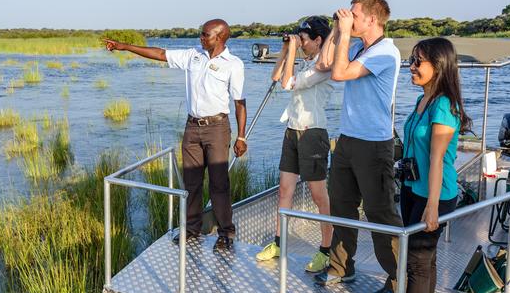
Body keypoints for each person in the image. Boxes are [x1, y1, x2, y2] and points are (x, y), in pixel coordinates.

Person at [103, 19, 247, 250]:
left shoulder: (234, 64)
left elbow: (240, 102)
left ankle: (226, 233)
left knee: (219, 183)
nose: (200, 38)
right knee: (191, 182)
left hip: (217, 128)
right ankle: (191, 230)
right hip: (192, 127)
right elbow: (160, 53)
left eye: (205, 35)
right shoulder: (193, 56)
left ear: (219, 37)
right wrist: (125, 46)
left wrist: (241, 137)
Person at [312, 0, 404, 293]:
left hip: (375, 144)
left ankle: (397, 282)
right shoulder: (355, 46)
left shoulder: (385, 53)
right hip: (347, 140)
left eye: (354, 15)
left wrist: (344, 32)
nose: (349, 17)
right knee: (342, 206)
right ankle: (341, 267)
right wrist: (338, 32)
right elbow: (324, 63)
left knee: (380, 215)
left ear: (371, 20)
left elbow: (339, 74)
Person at [387, 38, 472, 293]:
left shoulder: (444, 106)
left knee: (417, 260)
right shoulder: (422, 100)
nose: (411, 67)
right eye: (411, 60)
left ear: (438, 67)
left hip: (435, 193)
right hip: (413, 188)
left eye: (417, 62)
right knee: (426, 258)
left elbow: (436, 160)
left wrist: (433, 206)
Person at [255, 16, 336, 273]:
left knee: (318, 195)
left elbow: (289, 83)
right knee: (284, 191)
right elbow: (277, 75)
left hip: (313, 133)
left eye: (303, 39)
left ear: (318, 40)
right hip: (292, 130)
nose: (300, 43)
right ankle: (279, 243)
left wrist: (292, 52)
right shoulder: (305, 61)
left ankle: (326, 249)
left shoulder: (325, 66)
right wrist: (285, 51)